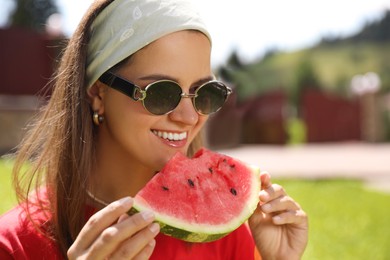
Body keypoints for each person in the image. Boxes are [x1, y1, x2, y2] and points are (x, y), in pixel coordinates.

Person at [0, 0, 308, 259]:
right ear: (97, 92)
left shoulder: (225, 237)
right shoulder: (14, 245)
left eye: (205, 93)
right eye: (161, 93)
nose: (189, 117)